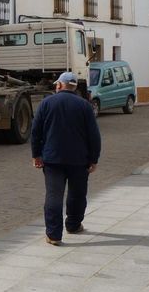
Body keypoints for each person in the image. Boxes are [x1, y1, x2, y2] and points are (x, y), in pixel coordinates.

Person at [31, 71, 101, 245]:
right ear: (74, 87)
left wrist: (36, 155)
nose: (56, 86)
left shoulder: (46, 103)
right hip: (79, 160)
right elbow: (94, 135)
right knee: (77, 194)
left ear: (60, 85)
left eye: (57, 84)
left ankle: (53, 235)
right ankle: (73, 224)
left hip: (52, 159)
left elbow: (35, 132)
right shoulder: (85, 105)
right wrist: (94, 159)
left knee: (54, 195)